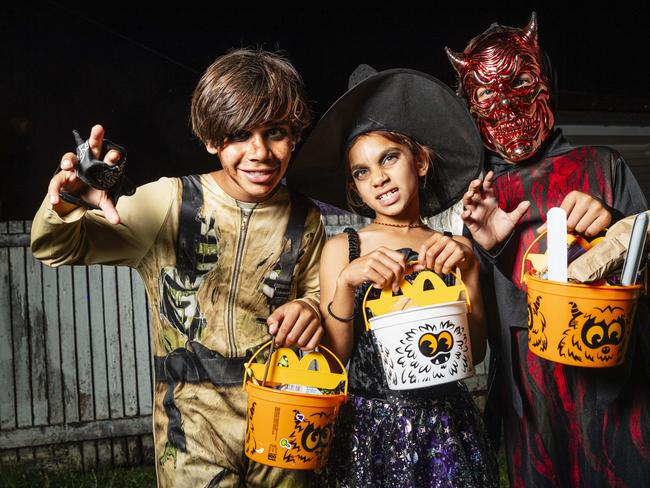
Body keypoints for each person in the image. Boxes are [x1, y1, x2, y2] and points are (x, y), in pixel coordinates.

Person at [30, 48, 326, 487]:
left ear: (295, 134)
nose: (259, 151)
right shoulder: (169, 202)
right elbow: (55, 247)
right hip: (191, 424)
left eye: (276, 132)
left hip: (285, 414)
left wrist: (311, 309)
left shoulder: (307, 217)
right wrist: (66, 202)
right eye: (240, 134)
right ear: (211, 139)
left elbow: (321, 295)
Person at [446, 13, 650, 487]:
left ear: (543, 80)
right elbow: (482, 317)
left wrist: (616, 229)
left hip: (613, 384)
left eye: (519, 82)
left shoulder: (603, 165)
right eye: (488, 94)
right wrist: (490, 249)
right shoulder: (479, 193)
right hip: (532, 396)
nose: (508, 107)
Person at [289, 65, 498, 487]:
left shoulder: (449, 245)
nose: (379, 178)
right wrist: (348, 282)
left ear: (419, 161)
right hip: (371, 429)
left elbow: (471, 355)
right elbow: (338, 358)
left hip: (446, 427)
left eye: (389, 157)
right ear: (354, 187)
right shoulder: (342, 250)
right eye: (362, 172)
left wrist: (471, 268)